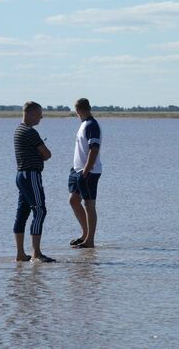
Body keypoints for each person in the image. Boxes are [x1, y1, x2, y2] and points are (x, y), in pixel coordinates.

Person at [13, 101, 55, 262]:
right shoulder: (30, 132)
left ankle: (20, 254)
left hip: (21, 175)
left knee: (22, 213)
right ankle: (36, 253)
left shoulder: (18, 130)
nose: (41, 117)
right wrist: (41, 155)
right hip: (31, 175)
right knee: (40, 210)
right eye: (39, 114)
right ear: (30, 114)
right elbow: (47, 154)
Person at [68, 98, 103, 249]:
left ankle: (90, 240)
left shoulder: (91, 125)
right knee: (73, 200)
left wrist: (86, 171)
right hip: (77, 170)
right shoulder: (84, 125)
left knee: (89, 204)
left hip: (89, 171)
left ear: (78, 110)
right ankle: (85, 234)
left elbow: (93, 150)